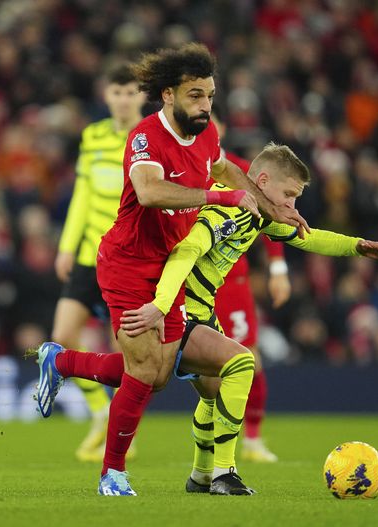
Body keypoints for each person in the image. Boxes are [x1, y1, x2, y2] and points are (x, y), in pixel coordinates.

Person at [33, 43, 308, 496]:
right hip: (126, 263)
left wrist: (271, 206)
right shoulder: (145, 137)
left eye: (210, 96)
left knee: (158, 375)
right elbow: (149, 192)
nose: (205, 106)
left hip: (168, 266)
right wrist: (218, 197)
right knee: (144, 372)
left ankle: (60, 361)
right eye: (195, 95)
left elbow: (224, 169)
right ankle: (112, 474)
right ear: (168, 95)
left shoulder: (207, 133)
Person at [119, 142, 378, 493]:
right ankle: (224, 473)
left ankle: (201, 475)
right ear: (262, 181)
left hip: (201, 311)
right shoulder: (227, 209)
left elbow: (309, 238)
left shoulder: (258, 213)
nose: (291, 205)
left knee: (213, 392)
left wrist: (357, 246)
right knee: (241, 363)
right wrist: (161, 305)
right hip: (180, 310)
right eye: (289, 194)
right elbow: (187, 249)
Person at [51, 63, 145, 462]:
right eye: (117, 92)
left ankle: (123, 431)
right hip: (89, 254)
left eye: (130, 92)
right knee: (62, 335)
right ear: (106, 96)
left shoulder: (147, 138)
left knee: (123, 350)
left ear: (142, 96)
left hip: (125, 258)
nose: (123, 100)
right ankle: (100, 411)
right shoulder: (92, 136)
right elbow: (82, 194)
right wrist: (67, 246)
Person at [211, 113, 292, 463]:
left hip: (232, 283)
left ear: (222, 129)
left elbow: (272, 219)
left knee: (249, 359)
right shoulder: (180, 170)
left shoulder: (240, 171)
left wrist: (278, 269)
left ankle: (254, 439)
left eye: (212, 121)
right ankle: (127, 437)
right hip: (189, 281)